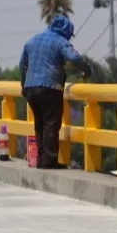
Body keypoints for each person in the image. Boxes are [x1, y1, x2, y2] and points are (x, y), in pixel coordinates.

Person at [19, 14, 93, 170]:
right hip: (50, 87)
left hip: (31, 88)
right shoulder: (60, 41)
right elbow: (74, 57)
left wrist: (23, 85)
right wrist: (87, 70)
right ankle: (49, 161)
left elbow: (22, 64)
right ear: (65, 32)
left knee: (39, 124)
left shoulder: (32, 40)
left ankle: (40, 159)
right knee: (51, 123)